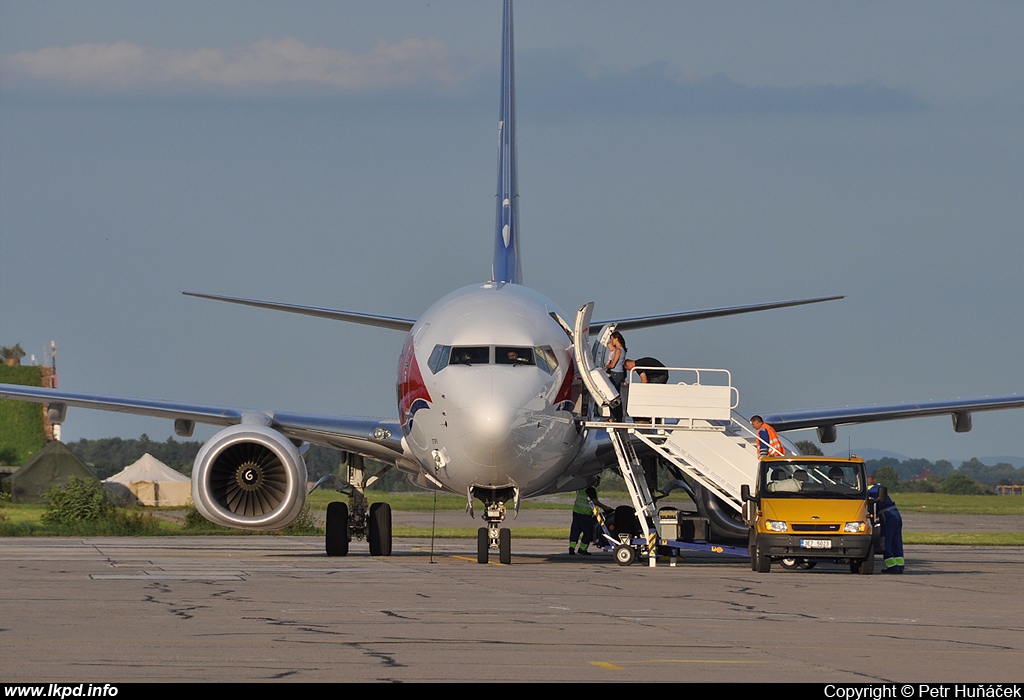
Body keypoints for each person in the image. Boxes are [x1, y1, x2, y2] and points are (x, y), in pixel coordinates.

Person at [867, 475, 905, 573]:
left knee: (885, 542)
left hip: (887, 516)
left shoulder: (870, 491)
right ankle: (900, 566)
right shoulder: (879, 487)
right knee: (896, 541)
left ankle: (892, 566)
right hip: (895, 514)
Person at [569, 483, 609, 555]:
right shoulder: (591, 489)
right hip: (585, 514)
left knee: (575, 530)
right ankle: (582, 549)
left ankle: (571, 547)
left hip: (576, 511)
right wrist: (605, 507)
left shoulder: (583, 487)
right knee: (588, 532)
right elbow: (595, 501)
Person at [605, 331, 627, 421]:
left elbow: (613, 364)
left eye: (612, 339)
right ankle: (617, 416)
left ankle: (614, 417)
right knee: (616, 395)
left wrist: (607, 366)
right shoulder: (621, 349)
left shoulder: (618, 350)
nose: (612, 341)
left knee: (613, 395)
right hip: (619, 373)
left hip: (615, 373)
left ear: (616, 338)